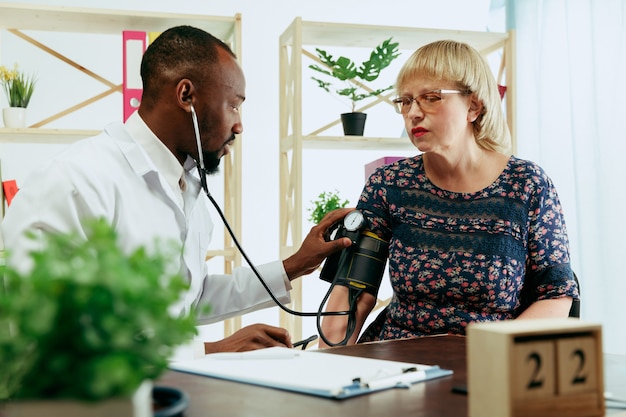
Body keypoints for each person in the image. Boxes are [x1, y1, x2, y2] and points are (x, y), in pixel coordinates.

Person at [1, 25, 351, 354]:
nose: (239, 124)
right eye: (234, 104)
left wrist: (295, 265)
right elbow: (44, 336)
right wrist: (209, 352)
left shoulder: (188, 187)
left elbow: (187, 298)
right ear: (186, 95)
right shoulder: (76, 181)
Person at [318, 40, 579, 347]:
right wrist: (327, 364)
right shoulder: (388, 184)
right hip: (398, 362)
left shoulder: (528, 185)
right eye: (405, 101)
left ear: (474, 106)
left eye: (430, 98)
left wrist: (492, 357)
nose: (413, 113)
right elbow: (352, 291)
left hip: (489, 361)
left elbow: (557, 295)